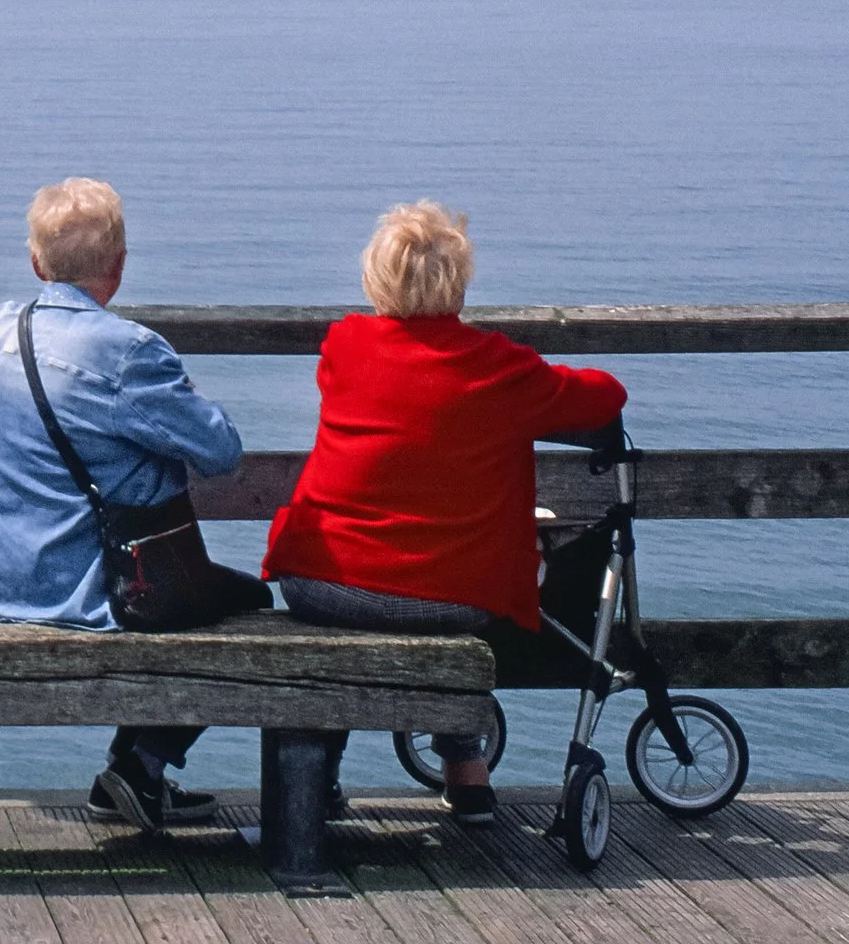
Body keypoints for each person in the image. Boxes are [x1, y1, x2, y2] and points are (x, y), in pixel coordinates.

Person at [265, 200, 626, 824]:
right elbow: (602, 396)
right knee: (453, 600)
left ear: (376, 280)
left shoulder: (345, 346)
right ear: (458, 283)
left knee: (359, 629)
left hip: (323, 582)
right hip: (452, 598)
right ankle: (467, 774)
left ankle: (318, 778)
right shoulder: (500, 369)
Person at [0, 174, 246, 832]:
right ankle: (140, 767)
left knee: (208, 605)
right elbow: (221, 451)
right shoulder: (129, 353)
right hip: (90, 595)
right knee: (247, 614)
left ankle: (131, 776)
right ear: (119, 264)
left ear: (34, 261)